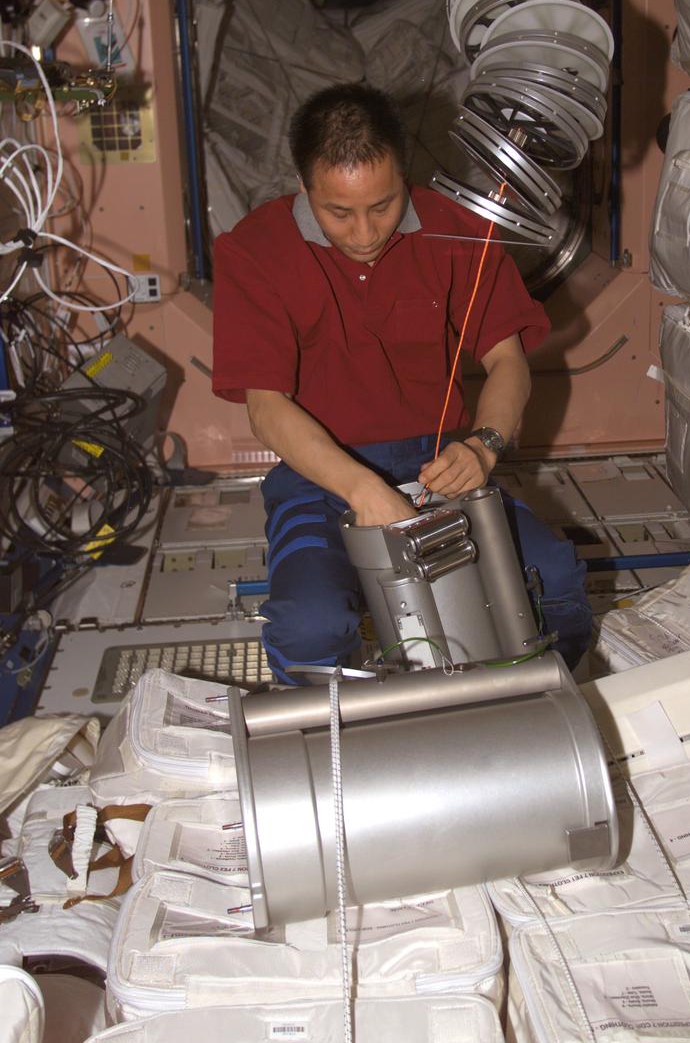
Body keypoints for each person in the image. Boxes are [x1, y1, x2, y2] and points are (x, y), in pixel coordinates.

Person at [212, 83, 591, 682]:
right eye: (338, 212)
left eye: (382, 206)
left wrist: (484, 444)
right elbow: (265, 407)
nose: (365, 233)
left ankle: (538, 710)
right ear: (305, 186)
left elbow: (507, 362)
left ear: (404, 176)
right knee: (308, 626)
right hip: (319, 479)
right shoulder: (254, 251)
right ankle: (348, 753)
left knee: (558, 579)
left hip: (438, 464)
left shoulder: (458, 230)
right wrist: (362, 490)